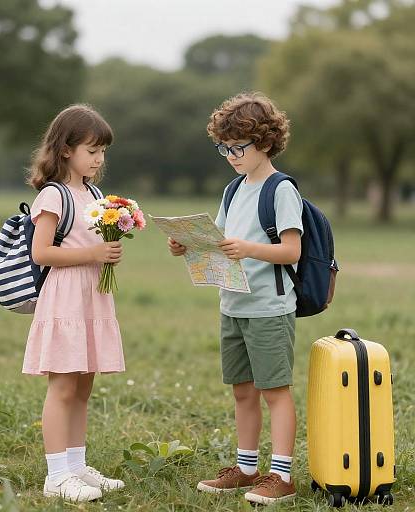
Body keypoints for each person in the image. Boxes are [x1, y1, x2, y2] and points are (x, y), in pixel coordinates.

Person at [168, 92, 303, 505]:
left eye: (237, 148)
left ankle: (281, 475)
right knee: (242, 391)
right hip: (233, 305)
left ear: (264, 142)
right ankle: (246, 470)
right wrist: (186, 246)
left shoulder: (280, 190)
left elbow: (291, 251)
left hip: (268, 308)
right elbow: (218, 242)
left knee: (275, 391)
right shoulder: (232, 189)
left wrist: (248, 248)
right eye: (223, 148)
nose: (230, 155)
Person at [23, 104, 126, 502]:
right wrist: (94, 255)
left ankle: (77, 464)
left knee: (83, 388)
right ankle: (57, 476)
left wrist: (109, 252)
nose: (99, 159)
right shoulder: (54, 196)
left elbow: (94, 245)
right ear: (66, 150)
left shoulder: (96, 194)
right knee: (62, 388)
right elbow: (42, 253)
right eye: (92, 151)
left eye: (103, 152)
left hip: (93, 298)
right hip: (65, 298)